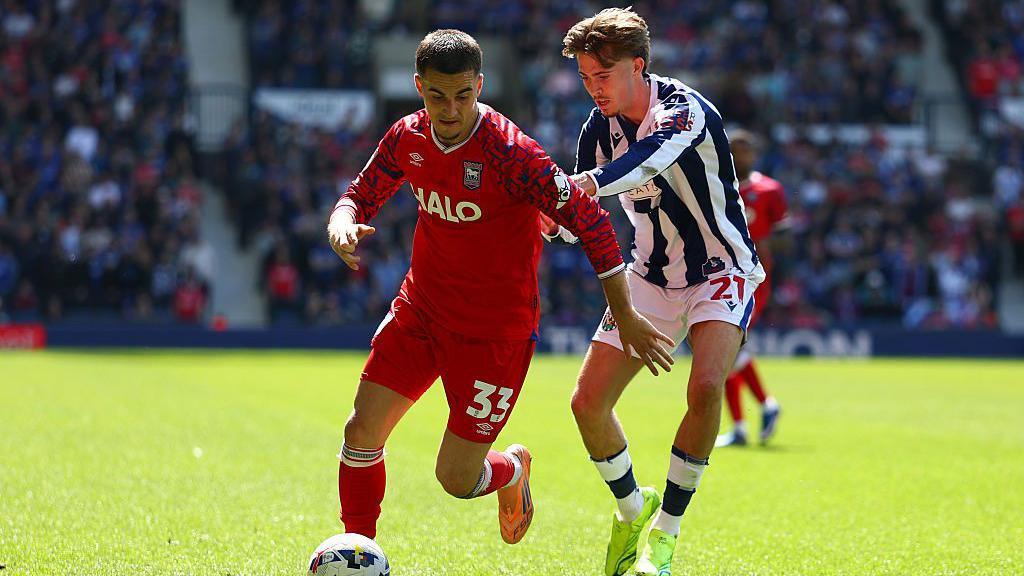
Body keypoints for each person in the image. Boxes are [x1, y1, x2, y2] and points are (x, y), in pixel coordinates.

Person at [326, 29, 674, 547]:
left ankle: (510, 470)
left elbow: (593, 223)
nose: (450, 109)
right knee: (360, 433)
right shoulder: (407, 137)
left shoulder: (512, 154)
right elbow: (361, 193)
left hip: (494, 335)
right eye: (437, 96)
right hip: (420, 309)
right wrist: (342, 222)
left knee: (457, 479)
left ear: (480, 86)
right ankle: (358, 551)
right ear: (419, 87)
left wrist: (623, 313)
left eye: (463, 95)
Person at [548, 8, 764, 575]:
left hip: (722, 269)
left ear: (637, 66)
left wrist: (577, 189)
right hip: (649, 276)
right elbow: (577, 218)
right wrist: (549, 219)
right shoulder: (597, 130)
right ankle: (630, 507)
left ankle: (665, 534)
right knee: (586, 404)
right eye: (586, 78)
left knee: (707, 385)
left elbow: (644, 163)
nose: (594, 89)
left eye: (604, 75)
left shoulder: (685, 111)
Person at [716, 129, 786, 448]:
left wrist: (764, 252)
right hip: (722, 272)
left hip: (755, 276)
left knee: (729, 346)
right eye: (733, 149)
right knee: (724, 352)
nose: (739, 155)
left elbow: (783, 232)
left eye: (744, 150)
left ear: (754, 155)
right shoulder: (717, 184)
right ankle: (741, 428)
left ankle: (766, 404)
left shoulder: (769, 189)